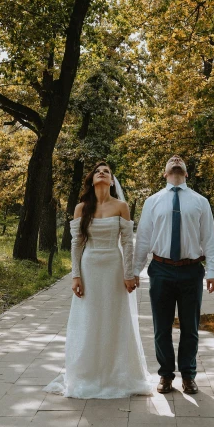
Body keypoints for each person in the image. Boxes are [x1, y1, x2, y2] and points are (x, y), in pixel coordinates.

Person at [44, 161, 152, 399]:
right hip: (90, 267)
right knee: (89, 319)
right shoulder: (82, 208)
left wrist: (128, 274)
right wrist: (75, 275)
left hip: (113, 267)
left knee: (114, 318)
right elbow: (76, 244)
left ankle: (117, 373)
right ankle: (88, 374)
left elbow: (126, 242)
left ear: (112, 181)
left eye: (107, 172)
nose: (102, 174)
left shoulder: (121, 206)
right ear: (92, 180)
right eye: (98, 172)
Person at [134, 155, 214, 396]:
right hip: (160, 269)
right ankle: (165, 375)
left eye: (180, 160)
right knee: (161, 327)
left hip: (192, 270)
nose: (176, 159)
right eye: (171, 160)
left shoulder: (200, 202)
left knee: (190, 327)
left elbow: (208, 239)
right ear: (165, 173)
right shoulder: (153, 201)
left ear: (187, 173)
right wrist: (134, 272)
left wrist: (212, 271)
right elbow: (143, 239)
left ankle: (189, 375)